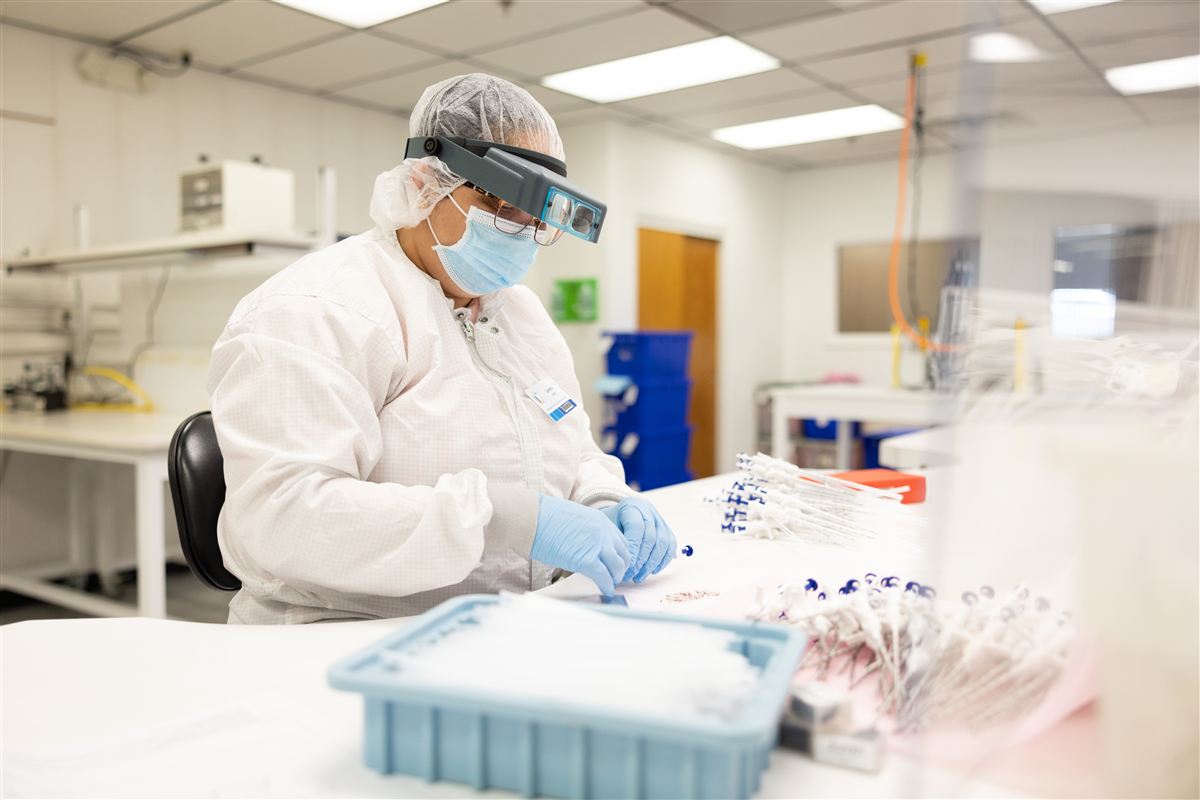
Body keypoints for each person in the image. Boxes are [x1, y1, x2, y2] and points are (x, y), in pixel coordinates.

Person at [206, 74, 676, 624]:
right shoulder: (319, 309)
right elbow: (282, 518)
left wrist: (603, 498)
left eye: (536, 216)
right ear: (426, 182)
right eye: (502, 204)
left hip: (508, 625)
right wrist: (500, 519)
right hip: (341, 636)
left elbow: (572, 449)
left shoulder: (520, 315)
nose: (521, 232)